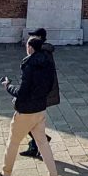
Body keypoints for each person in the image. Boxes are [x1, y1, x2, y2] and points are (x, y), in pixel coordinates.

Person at [0, 35, 59, 176]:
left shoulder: (29, 66)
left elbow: (21, 92)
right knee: (42, 144)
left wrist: (7, 86)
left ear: (31, 48)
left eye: (27, 46)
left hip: (26, 111)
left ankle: (5, 174)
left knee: (13, 142)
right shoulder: (47, 63)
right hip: (40, 109)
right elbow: (49, 87)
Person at [19, 28, 59, 160]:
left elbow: (45, 77)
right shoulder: (40, 52)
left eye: (33, 38)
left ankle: (41, 142)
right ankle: (35, 145)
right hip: (37, 95)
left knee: (26, 123)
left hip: (37, 95)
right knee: (33, 123)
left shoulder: (43, 54)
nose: (29, 41)